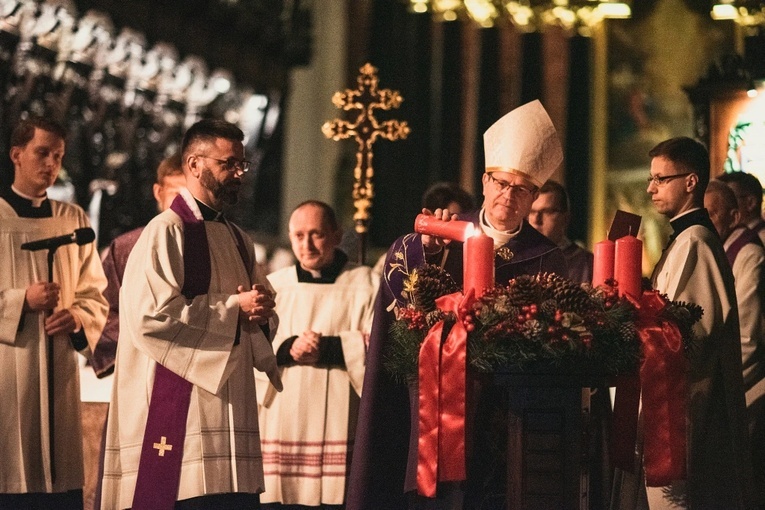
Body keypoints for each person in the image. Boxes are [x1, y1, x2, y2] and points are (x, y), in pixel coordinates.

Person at [347, 100, 568, 509]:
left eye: (521, 188)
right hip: (435, 402)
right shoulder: (443, 235)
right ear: (484, 181)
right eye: (501, 183)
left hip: (508, 415)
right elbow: (399, 286)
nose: (508, 195)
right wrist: (425, 252)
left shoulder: (547, 259)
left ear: (534, 196)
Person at [101, 119, 282, 510]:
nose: (238, 174)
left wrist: (262, 312)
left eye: (242, 165)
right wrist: (235, 309)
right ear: (195, 164)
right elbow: (150, 316)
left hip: (231, 410)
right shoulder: (165, 232)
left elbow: (259, 310)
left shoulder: (238, 238)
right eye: (228, 164)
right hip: (183, 417)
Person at [615, 137, 753, 509]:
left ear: (691, 182)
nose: (650, 188)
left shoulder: (695, 242)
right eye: (651, 179)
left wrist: (630, 324)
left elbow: (689, 336)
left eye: (661, 179)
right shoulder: (684, 239)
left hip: (685, 406)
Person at [0, 117, 108, 508]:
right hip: (9, 375)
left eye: (58, 156)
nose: (51, 164)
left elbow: (95, 293)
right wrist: (19, 302)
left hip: (59, 372)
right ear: (16, 154)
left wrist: (78, 318)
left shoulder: (73, 219)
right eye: (42, 153)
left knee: (59, 484)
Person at [256, 200, 378, 508]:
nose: (306, 244)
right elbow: (251, 345)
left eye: (316, 234)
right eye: (298, 235)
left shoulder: (366, 283)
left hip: (342, 415)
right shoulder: (274, 286)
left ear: (336, 236)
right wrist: (287, 347)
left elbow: (379, 345)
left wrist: (331, 348)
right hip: (283, 420)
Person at [91, 153, 185, 378]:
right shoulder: (127, 248)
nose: (184, 204)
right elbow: (102, 309)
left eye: (191, 195)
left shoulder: (214, 246)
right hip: (138, 369)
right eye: (176, 194)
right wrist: (143, 342)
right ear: (158, 193)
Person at [704, 179, 765, 508]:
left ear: (735, 215)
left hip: (746, 385)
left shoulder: (749, 253)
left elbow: (746, 336)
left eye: (712, 214)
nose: (707, 222)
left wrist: (719, 388)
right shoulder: (720, 249)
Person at [528, 180, 593, 283]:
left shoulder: (587, 263)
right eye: (531, 212)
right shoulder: (518, 259)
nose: (536, 220)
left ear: (566, 217)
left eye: (546, 212)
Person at [717, 171, 765, 245]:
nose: (721, 207)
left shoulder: (758, 240)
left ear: (751, 202)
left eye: (729, 199)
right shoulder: (735, 237)